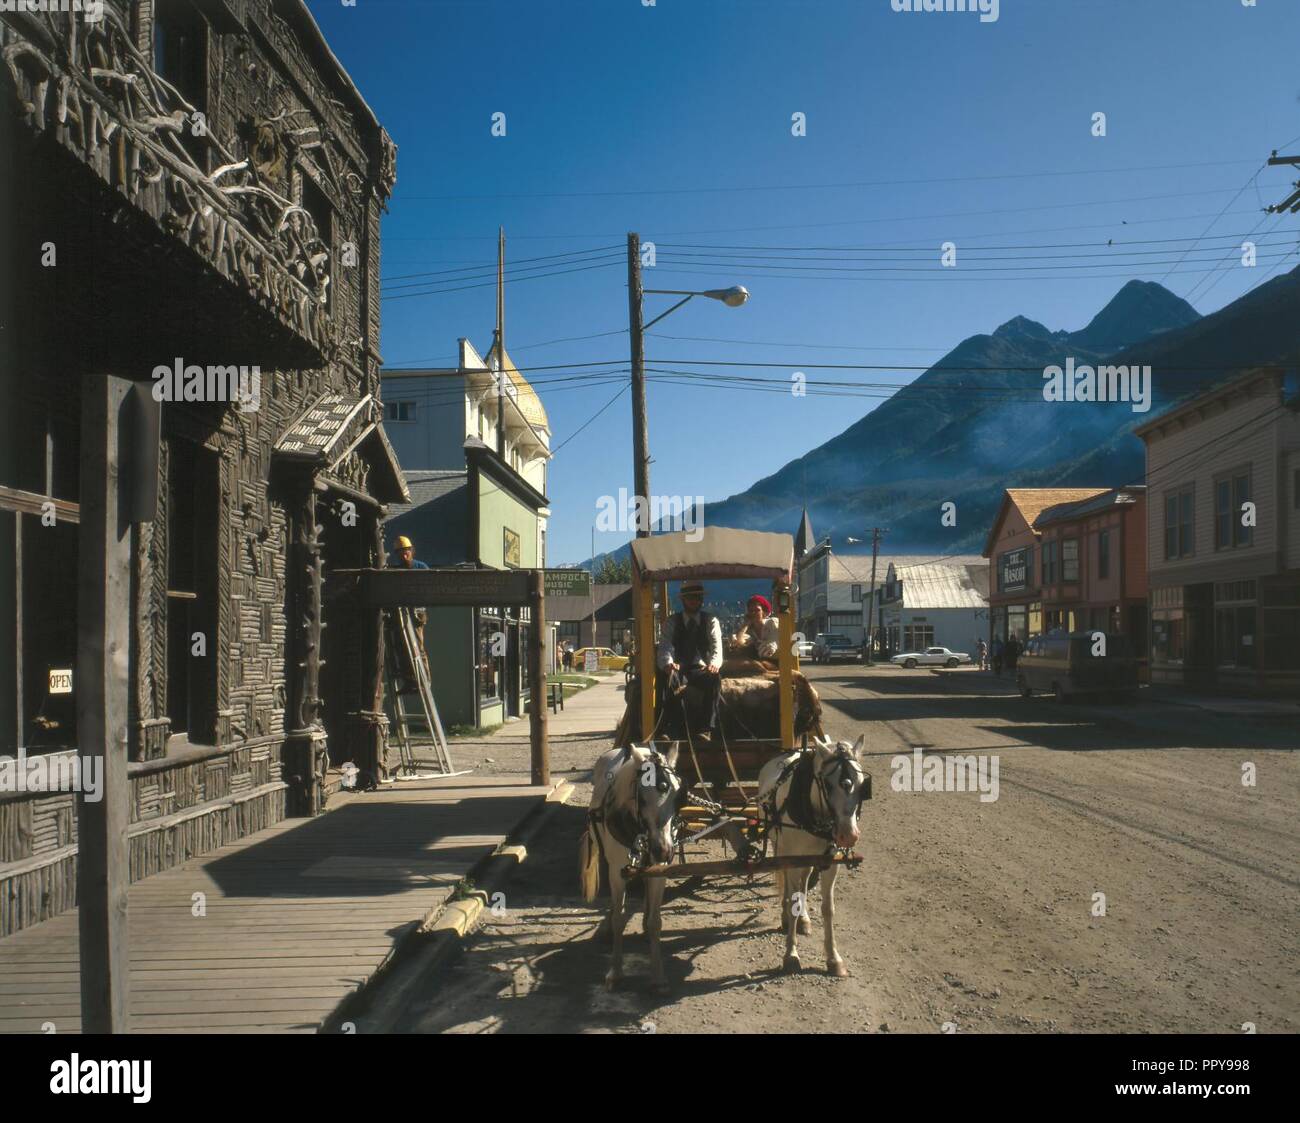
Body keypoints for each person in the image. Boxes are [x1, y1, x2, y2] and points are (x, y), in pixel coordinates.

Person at [657, 580, 723, 738]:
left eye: (697, 597)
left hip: (702, 669)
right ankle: (670, 728)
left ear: (701, 600)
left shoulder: (711, 621)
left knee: (714, 679)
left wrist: (714, 664)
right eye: (690, 597)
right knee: (670, 680)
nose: (694, 600)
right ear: (683, 600)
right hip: (679, 668)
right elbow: (665, 645)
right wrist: (668, 663)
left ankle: (706, 728)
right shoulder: (672, 621)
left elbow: (716, 646)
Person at [388, 535, 430, 680]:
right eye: (401, 552)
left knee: (418, 646)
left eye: (406, 551)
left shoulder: (421, 567)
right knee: (402, 647)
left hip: (417, 611)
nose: (404, 554)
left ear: (411, 551)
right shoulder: (396, 570)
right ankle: (410, 679)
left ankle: (425, 679)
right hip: (401, 611)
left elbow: (429, 589)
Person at [729, 594, 780, 662]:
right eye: (751, 610)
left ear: (764, 612)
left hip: (778, 662)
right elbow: (739, 642)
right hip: (759, 662)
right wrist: (745, 625)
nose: (753, 613)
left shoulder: (772, 623)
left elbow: (770, 647)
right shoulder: (749, 631)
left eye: (757, 610)